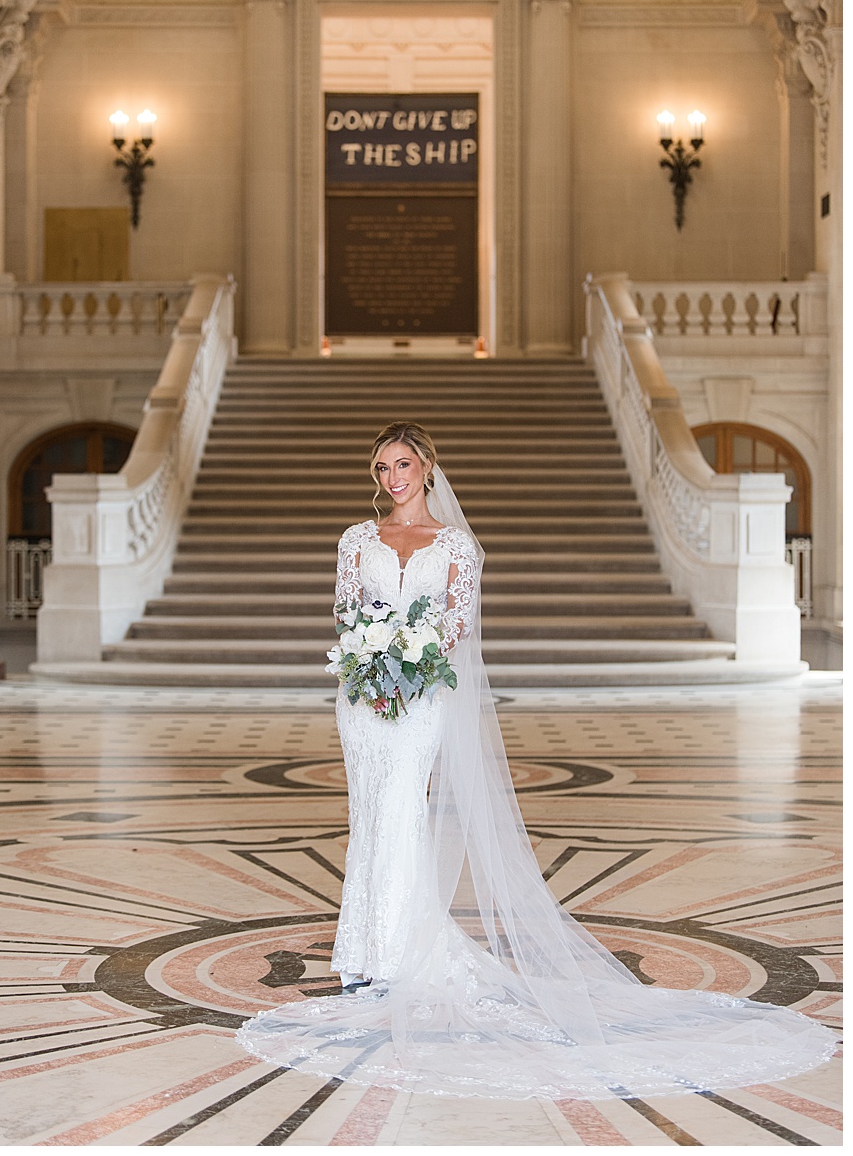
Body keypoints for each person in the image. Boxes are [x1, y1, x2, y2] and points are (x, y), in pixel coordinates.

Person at [234, 421, 836, 1099]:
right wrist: (369, 661)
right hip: (361, 699)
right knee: (369, 811)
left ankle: (396, 954)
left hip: (420, 697)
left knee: (402, 807)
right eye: (381, 468)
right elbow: (347, 612)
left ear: (428, 465)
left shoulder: (456, 544)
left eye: (403, 463)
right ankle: (362, 952)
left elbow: (455, 623)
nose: (392, 477)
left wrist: (406, 659)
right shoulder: (356, 540)